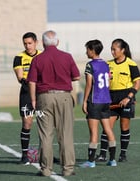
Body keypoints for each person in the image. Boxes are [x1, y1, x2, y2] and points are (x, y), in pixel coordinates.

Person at [27, 30, 80, 176]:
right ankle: (68, 168)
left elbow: (32, 81)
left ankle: (46, 169)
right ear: (57, 42)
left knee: (45, 135)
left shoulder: (37, 59)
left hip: (44, 97)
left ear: (43, 43)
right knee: (66, 134)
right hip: (64, 97)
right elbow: (76, 76)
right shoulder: (67, 57)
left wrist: (33, 99)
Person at [95, 38, 140, 162]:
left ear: (122, 50)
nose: (112, 52)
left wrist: (128, 98)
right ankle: (103, 154)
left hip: (127, 97)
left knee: (124, 127)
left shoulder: (131, 64)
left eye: (114, 49)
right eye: (111, 49)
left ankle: (123, 155)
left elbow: (137, 83)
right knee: (107, 127)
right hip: (111, 98)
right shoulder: (107, 64)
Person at [79, 40, 117, 168]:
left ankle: (91, 161)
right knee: (108, 130)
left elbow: (89, 84)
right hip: (106, 100)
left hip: (95, 101)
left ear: (92, 50)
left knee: (93, 132)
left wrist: (84, 101)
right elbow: (109, 79)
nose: (86, 52)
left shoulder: (90, 65)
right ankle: (112, 160)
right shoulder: (106, 64)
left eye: (87, 49)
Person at [13, 32, 41, 165]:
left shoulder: (42, 55)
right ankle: (24, 155)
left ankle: (47, 154)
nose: (27, 46)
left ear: (36, 42)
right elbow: (20, 78)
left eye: (30, 43)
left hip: (42, 94)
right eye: (25, 43)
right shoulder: (19, 57)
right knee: (27, 123)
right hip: (26, 94)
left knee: (45, 124)